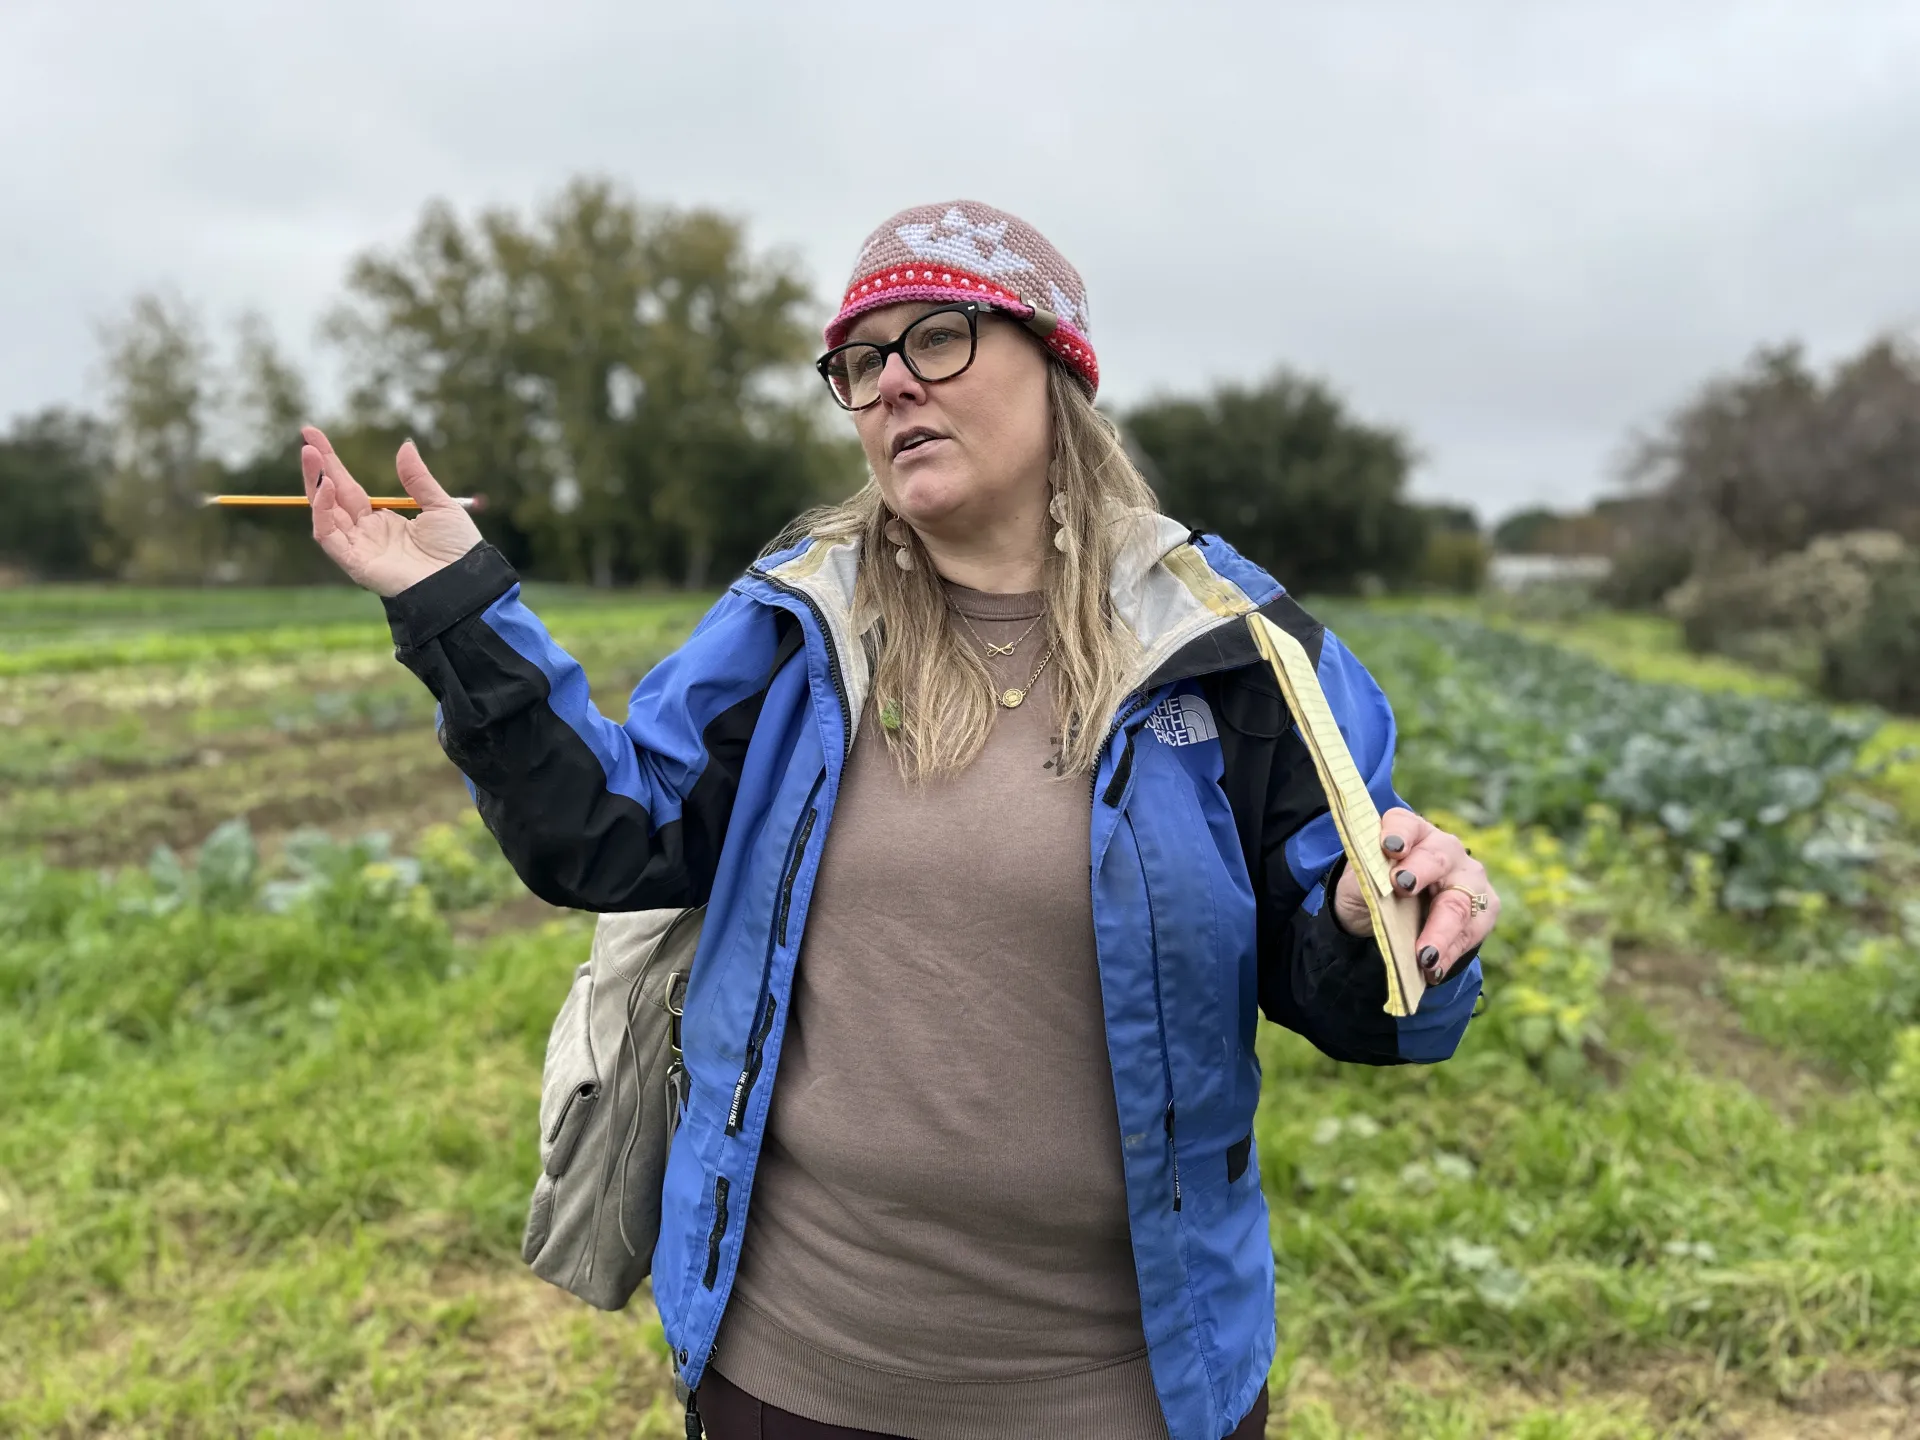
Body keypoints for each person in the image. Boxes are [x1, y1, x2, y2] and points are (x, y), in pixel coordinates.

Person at [298, 200, 1497, 1440]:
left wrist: (1380, 928)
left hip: (1125, 1393)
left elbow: (1367, 995)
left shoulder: (1233, 648)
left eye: (936, 340)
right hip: (797, 1367)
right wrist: (452, 608)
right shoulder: (796, 621)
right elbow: (614, 833)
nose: (889, 388)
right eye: (861, 364)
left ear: (1058, 367)